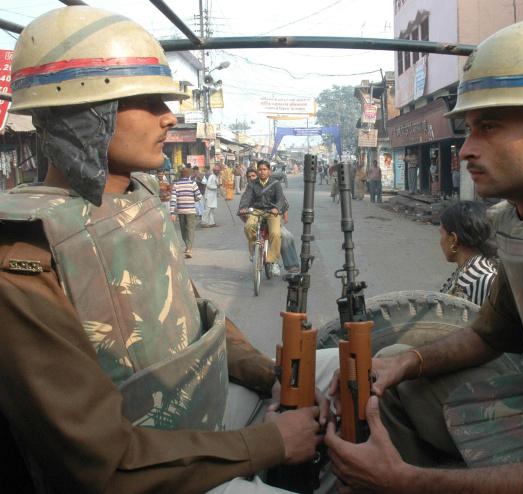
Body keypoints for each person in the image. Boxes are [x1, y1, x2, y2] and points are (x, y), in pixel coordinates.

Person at [0, 7, 339, 493]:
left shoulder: (138, 202)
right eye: (145, 98)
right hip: (152, 468)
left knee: (336, 371)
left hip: (202, 412)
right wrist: (271, 444)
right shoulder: (24, 253)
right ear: (83, 113)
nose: (169, 115)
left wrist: (270, 375)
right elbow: (104, 464)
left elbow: (191, 314)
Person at [325, 18, 523, 493]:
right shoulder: (521, 218)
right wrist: (403, 362)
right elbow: (491, 335)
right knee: (392, 380)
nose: (466, 150)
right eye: (468, 129)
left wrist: (403, 481)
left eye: (488, 127)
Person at [438, 201, 497, 306]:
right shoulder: (468, 269)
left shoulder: (484, 280)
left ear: (454, 240)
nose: (440, 240)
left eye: (441, 234)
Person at [244, 168, 298, 275]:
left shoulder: (272, 186)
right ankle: (254, 254)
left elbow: (282, 201)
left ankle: (289, 264)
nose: (251, 178)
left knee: (285, 236)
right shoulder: (249, 190)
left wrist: (283, 215)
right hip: (256, 219)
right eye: (249, 177)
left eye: (253, 176)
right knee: (249, 231)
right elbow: (244, 207)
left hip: (272, 217)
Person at [238, 160, 284, 273]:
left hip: (271, 212)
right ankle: (254, 248)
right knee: (248, 227)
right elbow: (246, 197)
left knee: (276, 233)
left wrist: (276, 208)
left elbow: (281, 199)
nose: (262, 171)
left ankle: (272, 261)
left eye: (264, 169)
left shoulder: (276, 183)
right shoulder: (252, 184)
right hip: (256, 211)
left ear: (269, 171)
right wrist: (243, 207)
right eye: (260, 169)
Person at [171, 165, 202, 258]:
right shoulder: (193, 183)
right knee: (190, 229)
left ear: (180, 175)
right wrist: (194, 199)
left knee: (183, 229)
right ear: (188, 175)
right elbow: (199, 196)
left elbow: (173, 199)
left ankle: (187, 246)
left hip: (181, 211)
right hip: (190, 210)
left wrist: (172, 213)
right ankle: (189, 248)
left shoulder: (176, 184)